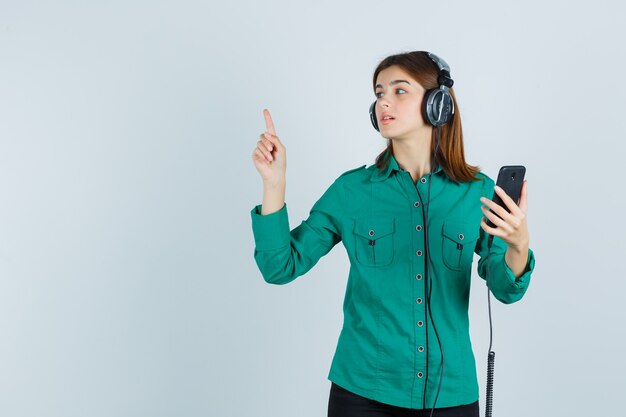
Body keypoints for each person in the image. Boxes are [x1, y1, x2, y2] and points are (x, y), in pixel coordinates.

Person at [250, 51, 535, 417]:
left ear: (438, 105)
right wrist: (274, 185)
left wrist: (518, 243)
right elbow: (280, 267)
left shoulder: (476, 192)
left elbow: (505, 288)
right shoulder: (351, 190)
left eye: (400, 90)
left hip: (450, 395)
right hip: (362, 393)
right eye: (379, 92)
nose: (384, 100)